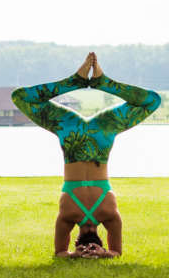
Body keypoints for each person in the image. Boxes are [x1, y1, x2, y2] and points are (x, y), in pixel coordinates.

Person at [11, 53, 161, 258]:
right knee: (20, 97)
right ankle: (87, 81)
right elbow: (61, 253)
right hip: (71, 131)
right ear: (76, 238)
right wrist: (76, 254)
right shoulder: (67, 216)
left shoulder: (109, 216)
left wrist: (102, 253)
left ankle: (94, 82)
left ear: (102, 237)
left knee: (152, 101)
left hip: (102, 133)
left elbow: (115, 252)